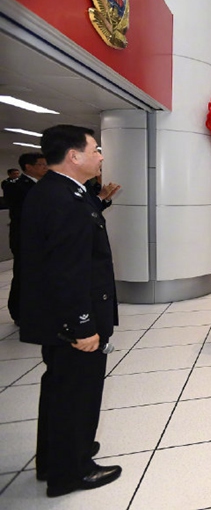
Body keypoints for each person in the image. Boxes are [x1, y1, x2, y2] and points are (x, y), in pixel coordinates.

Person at [19, 125, 121, 497]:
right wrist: (83, 326)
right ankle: (72, 471)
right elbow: (68, 270)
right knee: (76, 394)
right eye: (96, 150)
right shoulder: (64, 199)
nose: (101, 156)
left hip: (58, 317)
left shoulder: (59, 191)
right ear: (74, 156)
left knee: (61, 390)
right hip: (73, 321)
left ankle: (54, 458)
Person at [6, 152, 49, 324]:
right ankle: (18, 313)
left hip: (43, 238)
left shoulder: (45, 185)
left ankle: (37, 309)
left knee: (40, 275)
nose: (45, 168)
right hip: (25, 238)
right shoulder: (17, 187)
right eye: (41, 165)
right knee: (23, 275)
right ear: (28, 167)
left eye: (46, 164)